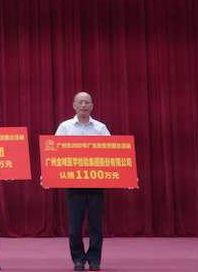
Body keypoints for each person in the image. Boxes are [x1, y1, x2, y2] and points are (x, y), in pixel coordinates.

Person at [55, 92, 110, 272]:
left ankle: (94, 259)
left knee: (96, 225)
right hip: (74, 184)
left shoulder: (100, 128)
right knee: (74, 227)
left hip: (96, 183)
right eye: (80, 102)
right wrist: (48, 175)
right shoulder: (65, 127)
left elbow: (114, 153)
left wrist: (126, 176)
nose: (84, 105)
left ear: (92, 106)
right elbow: (53, 153)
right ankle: (78, 259)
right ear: (74, 105)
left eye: (87, 102)